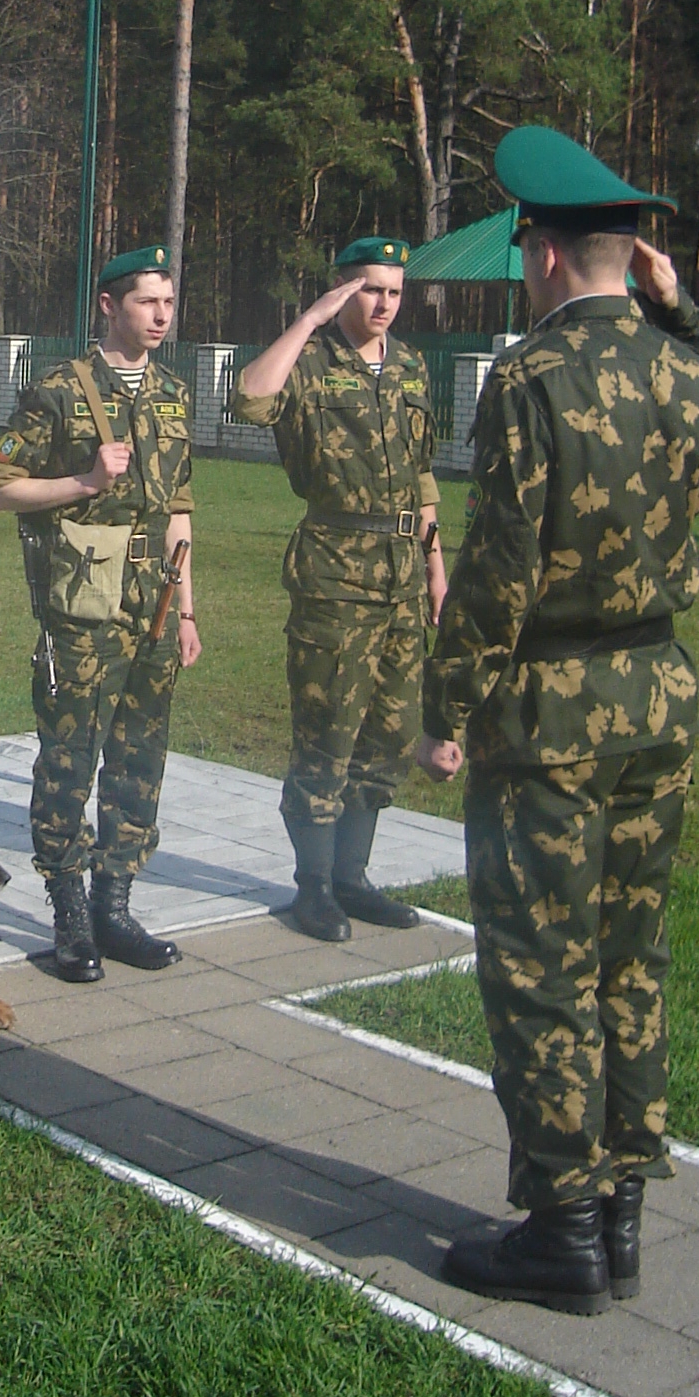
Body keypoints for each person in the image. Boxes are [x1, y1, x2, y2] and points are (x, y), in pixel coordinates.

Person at [416, 127, 699, 1316]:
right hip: (660, 698)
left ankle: (562, 1227)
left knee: (541, 970)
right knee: (628, 958)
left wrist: (443, 707)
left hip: (550, 712)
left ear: (542, 257)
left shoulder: (533, 378)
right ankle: (621, 1213)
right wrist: (686, 312)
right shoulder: (694, 369)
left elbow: (500, 573)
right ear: (632, 257)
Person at [0, 246, 202, 982]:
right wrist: (81, 479)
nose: (162, 315)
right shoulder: (57, 390)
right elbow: (0, 486)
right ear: (109, 306)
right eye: (148, 301)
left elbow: (179, 509)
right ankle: (69, 908)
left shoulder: (174, 391)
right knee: (72, 752)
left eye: (168, 302)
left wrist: (189, 609)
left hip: (155, 601)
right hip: (83, 598)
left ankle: (116, 901)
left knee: (140, 753)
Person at [231, 237, 447, 942]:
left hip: (404, 570)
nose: (382, 304)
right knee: (328, 731)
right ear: (342, 291)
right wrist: (308, 323)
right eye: (369, 290)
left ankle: (354, 879)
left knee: (388, 730)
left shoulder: (410, 364)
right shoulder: (311, 362)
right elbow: (249, 398)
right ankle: (314, 887)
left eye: (392, 291)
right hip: (336, 569)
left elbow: (422, 475)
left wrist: (436, 565)